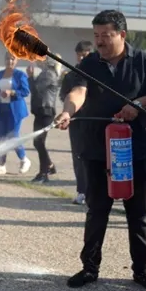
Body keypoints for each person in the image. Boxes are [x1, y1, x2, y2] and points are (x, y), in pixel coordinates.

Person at [54, 10, 146, 291]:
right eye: (96, 36)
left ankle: (142, 269)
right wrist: (67, 111)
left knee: (138, 212)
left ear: (122, 34)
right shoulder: (89, 64)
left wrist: (139, 104)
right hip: (97, 150)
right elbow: (78, 92)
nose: (100, 42)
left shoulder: (143, 60)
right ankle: (90, 267)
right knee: (97, 210)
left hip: (136, 150)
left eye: (105, 35)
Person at [0, 53, 32, 175]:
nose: (9, 61)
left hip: (15, 111)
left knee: (13, 136)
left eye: (12, 59)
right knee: (1, 138)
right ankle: (1, 165)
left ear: (17, 61)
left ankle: (24, 159)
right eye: (7, 59)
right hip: (2, 110)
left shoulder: (20, 75)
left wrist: (12, 92)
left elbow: (26, 91)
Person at [60, 41, 93, 205]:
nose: (81, 58)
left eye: (85, 54)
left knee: (96, 157)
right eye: (79, 54)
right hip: (76, 121)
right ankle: (82, 191)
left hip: (94, 120)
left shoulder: (97, 72)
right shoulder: (71, 75)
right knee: (78, 156)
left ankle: (98, 191)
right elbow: (64, 95)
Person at [27, 58, 60, 183]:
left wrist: (30, 77)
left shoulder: (48, 74)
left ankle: (43, 173)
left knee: (39, 142)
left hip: (46, 111)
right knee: (38, 142)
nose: (36, 61)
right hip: (41, 111)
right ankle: (49, 166)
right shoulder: (44, 73)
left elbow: (36, 90)